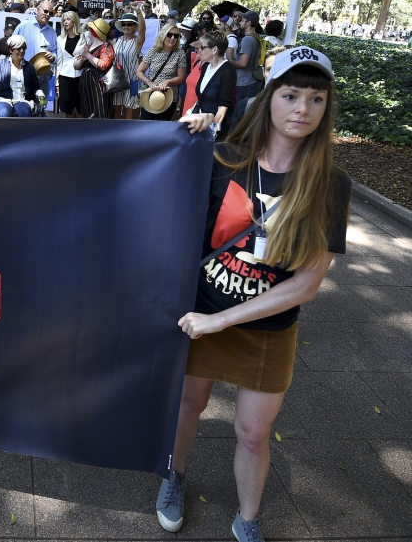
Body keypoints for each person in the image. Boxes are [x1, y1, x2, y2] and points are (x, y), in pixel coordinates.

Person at [171, 46, 350, 542]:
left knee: (253, 432)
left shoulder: (330, 186)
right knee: (186, 408)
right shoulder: (223, 158)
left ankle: (248, 518)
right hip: (200, 315)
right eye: (291, 95)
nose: (302, 110)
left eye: (316, 99)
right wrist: (184, 138)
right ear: (270, 97)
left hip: (266, 329)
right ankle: (174, 476)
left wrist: (222, 322)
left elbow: (306, 285)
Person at [0, 34, 40, 117]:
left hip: (22, 99)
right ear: (11, 50)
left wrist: (40, 93)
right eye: (18, 48)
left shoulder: (29, 67)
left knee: (25, 113)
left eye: (24, 48)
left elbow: (35, 87)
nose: (22, 51)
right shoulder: (1, 64)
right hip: (2, 98)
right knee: (4, 112)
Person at [190, 30, 235, 140]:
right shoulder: (206, 66)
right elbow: (202, 97)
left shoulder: (228, 70)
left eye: (203, 47)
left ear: (214, 49)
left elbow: (223, 105)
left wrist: (215, 130)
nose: (199, 50)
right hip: (201, 122)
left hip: (215, 127)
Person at [136, 23, 186, 120]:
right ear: (163, 35)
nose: (172, 38)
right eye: (169, 34)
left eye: (176, 36)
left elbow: (181, 77)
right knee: (146, 126)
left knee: (163, 128)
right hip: (151, 93)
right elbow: (139, 71)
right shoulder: (153, 51)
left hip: (169, 95)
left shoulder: (180, 54)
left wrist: (168, 81)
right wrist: (149, 82)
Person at [12, 0, 57, 97]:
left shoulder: (52, 32)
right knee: (23, 103)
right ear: (37, 9)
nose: (48, 15)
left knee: (42, 102)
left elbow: (55, 51)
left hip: (43, 74)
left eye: (51, 13)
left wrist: (53, 56)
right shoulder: (23, 27)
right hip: (23, 72)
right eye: (45, 11)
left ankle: (41, 112)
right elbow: (12, 46)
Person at [71, 17, 114, 119]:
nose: (87, 30)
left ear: (95, 32)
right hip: (85, 83)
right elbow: (75, 66)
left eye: (90, 28)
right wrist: (82, 59)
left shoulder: (106, 46)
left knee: (99, 110)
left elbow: (103, 65)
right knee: (86, 110)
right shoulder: (88, 46)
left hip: (98, 83)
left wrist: (88, 55)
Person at [111, 10, 146, 119]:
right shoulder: (115, 41)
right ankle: (116, 134)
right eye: (124, 24)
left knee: (129, 112)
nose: (126, 26)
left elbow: (143, 29)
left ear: (135, 26)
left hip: (132, 81)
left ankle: (127, 135)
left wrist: (139, 12)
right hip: (117, 81)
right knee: (115, 111)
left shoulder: (137, 41)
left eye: (129, 24)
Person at [55, 11, 82, 118]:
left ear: (74, 20)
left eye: (68, 19)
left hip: (81, 76)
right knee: (68, 110)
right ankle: (70, 132)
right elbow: (59, 61)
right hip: (65, 77)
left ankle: (83, 133)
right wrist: (57, 82)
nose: (65, 22)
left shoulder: (84, 36)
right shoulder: (60, 39)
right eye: (64, 20)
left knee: (81, 109)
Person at [232, 10, 263, 103]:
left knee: (240, 113)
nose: (240, 21)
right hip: (251, 81)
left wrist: (230, 61)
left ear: (248, 23)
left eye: (243, 20)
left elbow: (243, 63)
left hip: (244, 83)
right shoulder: (256, 37)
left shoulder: (247, 39)